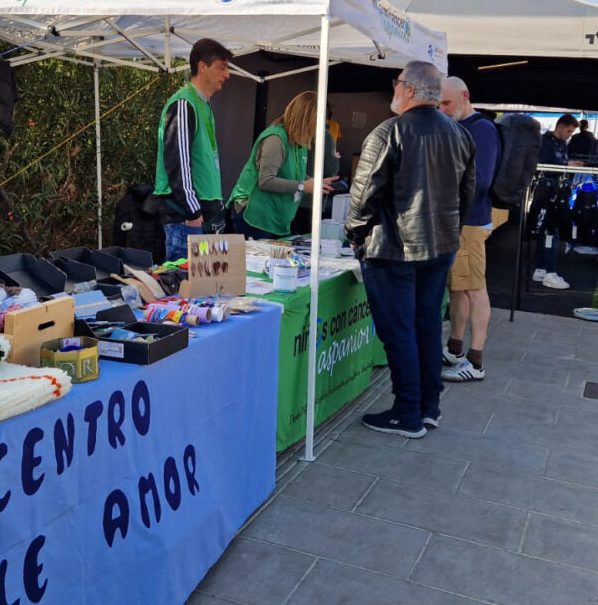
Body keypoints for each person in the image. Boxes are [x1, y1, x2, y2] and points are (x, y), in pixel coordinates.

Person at [345, 61, 475, 438]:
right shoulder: (458, 134)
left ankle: (408, 413)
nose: (394, 89)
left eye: (398, 83)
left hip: (393, 250)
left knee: (400, 330)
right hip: (439, 247)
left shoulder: (389, 132)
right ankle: (427, 406)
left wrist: (355, 234)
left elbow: (363, 195)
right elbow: (466, 196)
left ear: (412, 90)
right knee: (427, 324)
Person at [438, 77, 500, 382]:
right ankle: (455, 349)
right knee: (458, 288)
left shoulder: (482, 129)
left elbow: (482, 179)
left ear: (465, 96)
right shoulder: (462, 127)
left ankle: (475, 363)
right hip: (459, 221)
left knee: (475, 289)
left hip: (471, 223)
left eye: (447, 103)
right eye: (439, 104)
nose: (442, 109)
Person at [154, 38, 233, 260]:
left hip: (203, 218)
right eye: (222, 67)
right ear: (202, 67)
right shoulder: (183, 104)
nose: (227, 75)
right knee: (187, 289)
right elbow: (177, 164)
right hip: (188, 221)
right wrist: (193, 212)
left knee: (207, 290)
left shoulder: (203, 104)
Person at [228, 91, 337, 240]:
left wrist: (314, 183)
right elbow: (266, 180)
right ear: (305, 119)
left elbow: (292, 173)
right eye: (317, 123)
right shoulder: (276, 139)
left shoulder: (299, 142)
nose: (319, 129)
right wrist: (303, 186)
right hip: (255, 217)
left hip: (275, 220)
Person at [533, 114, 582, 289]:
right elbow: (544, 165)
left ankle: (541, 268)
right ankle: (550, 272)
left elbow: (558, 162)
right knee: (550, 232)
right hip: (548, 192)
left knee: (548, 232)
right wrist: (567, 165)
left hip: (557, 191)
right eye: (569, 131)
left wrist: (568, 164)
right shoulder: (545, 142)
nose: (570, 135)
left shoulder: (561, 143)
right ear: (561, 126)